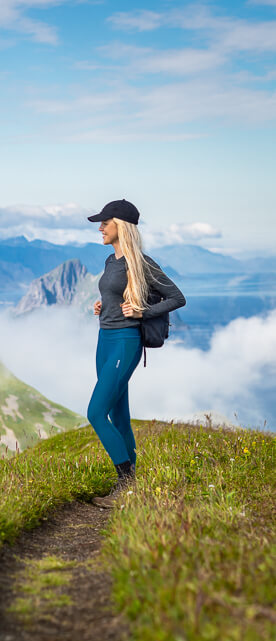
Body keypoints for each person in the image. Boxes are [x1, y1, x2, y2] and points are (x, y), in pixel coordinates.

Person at [86, 199, 186, 508]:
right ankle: (134, 487)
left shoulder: (140, 262)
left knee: (95, 413)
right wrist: (103, 305)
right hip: (104, 340)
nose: (100, 227)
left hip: (125, 342)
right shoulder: (109, 261)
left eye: (106, 222)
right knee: (119, 416)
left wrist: (143, 311)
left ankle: (126, 483)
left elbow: (177, 297)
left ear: (122, 226)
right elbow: (114, 293)